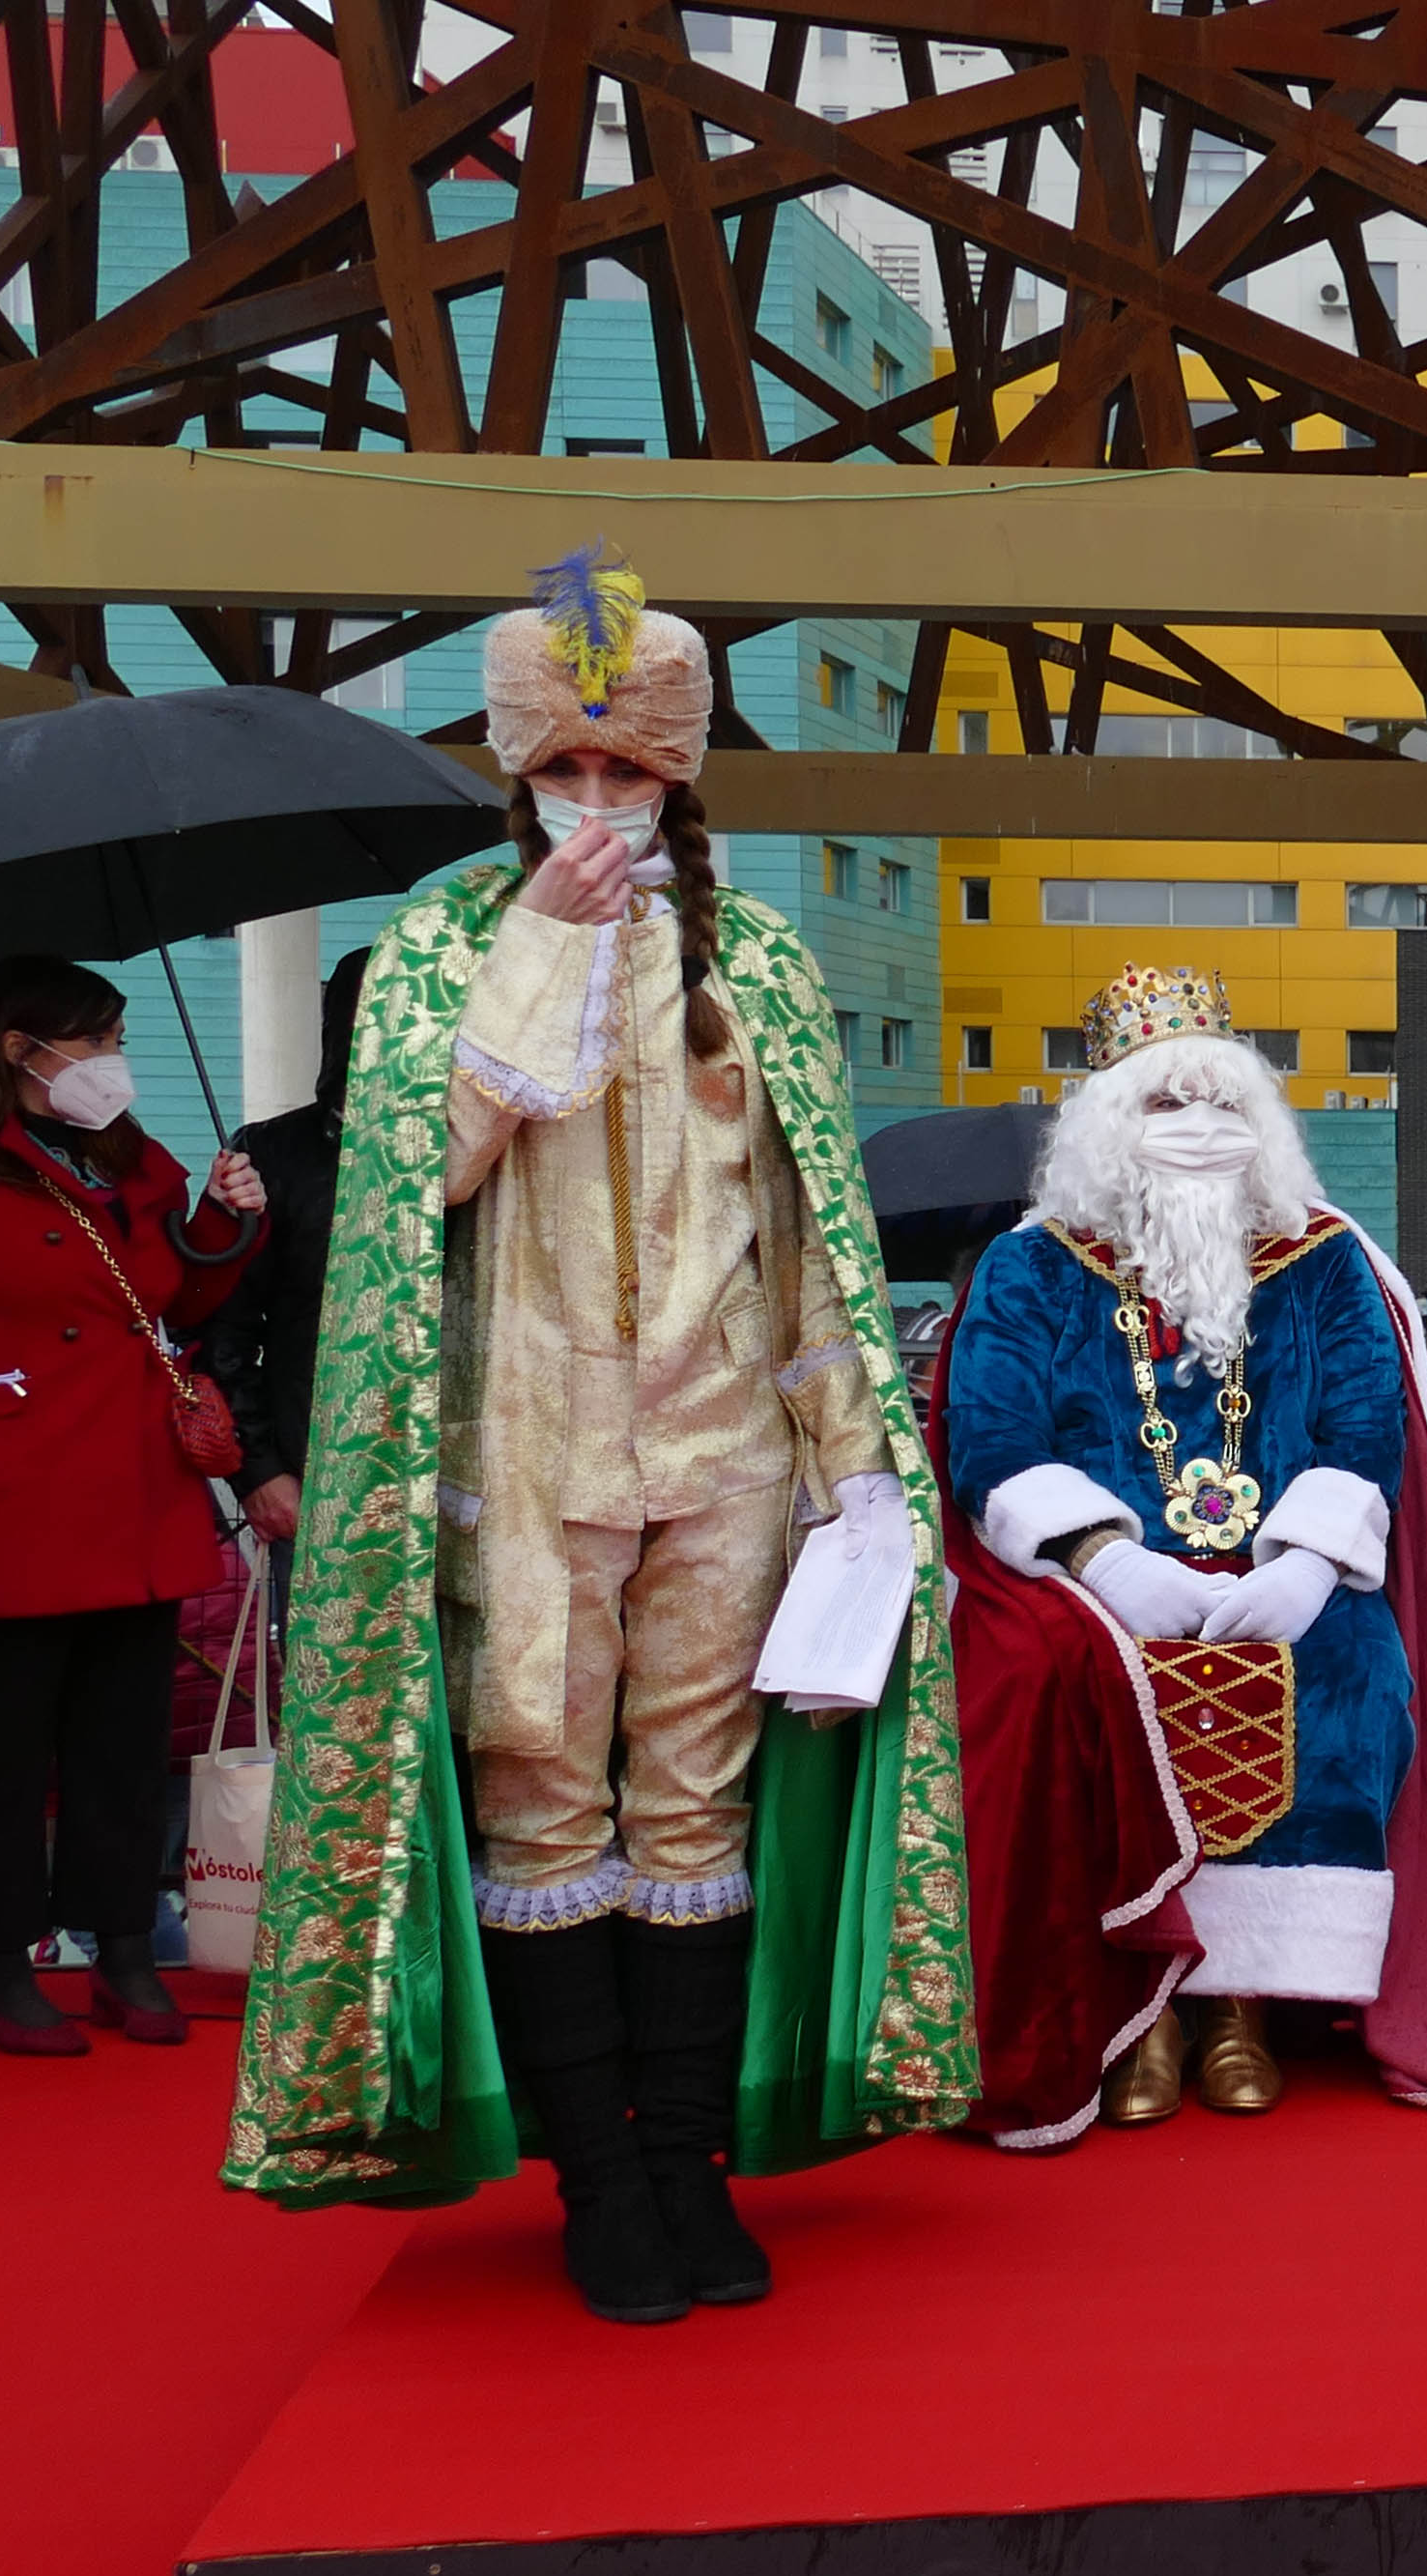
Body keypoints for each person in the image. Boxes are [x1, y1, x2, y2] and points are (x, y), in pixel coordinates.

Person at [224, 545, 970, 2323]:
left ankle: (693, 2160)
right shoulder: (436, 951)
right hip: (526, 1465)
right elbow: (420, 1181)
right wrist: (539, 953)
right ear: (520, 772)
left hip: (728, 1466)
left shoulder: (764, 965)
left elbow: (811, 1241)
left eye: (629, 774)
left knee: (695, 1812)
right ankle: (603, 2180)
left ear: (680, 776)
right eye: (571, 771)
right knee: (547, 1812)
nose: (599, 802)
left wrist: (858, 1467)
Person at [934, 968, 1427, 2143]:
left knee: (1351, 1671)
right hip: (1091, 1579)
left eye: (1220, 1105)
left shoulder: (1321, 1261)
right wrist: (1104, 1559)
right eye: (1164, 1104)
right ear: (1106, 1127)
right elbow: (991, 1435)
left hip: (1284, 1565)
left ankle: (1242, 2001)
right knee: (1069, 1682)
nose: (1197, 1130)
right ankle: (1142, 2007)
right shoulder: (1033, 1267)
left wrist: (1304, 1569)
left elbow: (1361, 1423)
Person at [0, 959, 267, 2055]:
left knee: (122, 1742)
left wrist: (226, 1224)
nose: (109, 1064)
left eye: (115, 1040)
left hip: (133, 1488)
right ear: (18, 1049)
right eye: (91, 1043)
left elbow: (175, 1298)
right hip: (7, 1492)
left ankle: (125, 1945)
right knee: (0, 1752)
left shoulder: (122, 1155)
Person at [204, 946, 368, 1560]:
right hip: (315, 1474)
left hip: (464, 1484)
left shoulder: (483, 1152)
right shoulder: (271, 1154)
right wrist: (259, 1471)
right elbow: (224, 1327)